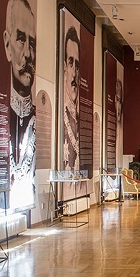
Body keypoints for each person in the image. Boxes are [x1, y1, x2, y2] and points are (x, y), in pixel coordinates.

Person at [4, 0, 37, 208]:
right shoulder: (3, 114)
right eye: (21, 39)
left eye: (32, 43)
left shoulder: (34, 117)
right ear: (7, 44)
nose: (28, 54)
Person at [61, 25, 80, 170]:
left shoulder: (78, 118)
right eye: (70, 62)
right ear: (64, 67)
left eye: (77, 66)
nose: (74, 73)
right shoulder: (62, 117)